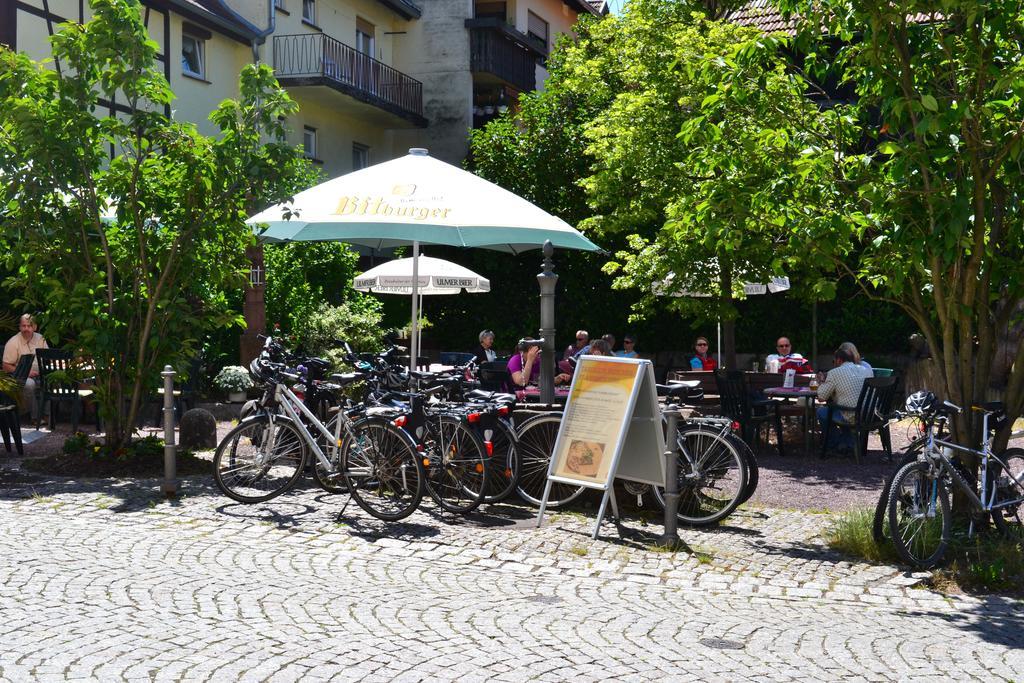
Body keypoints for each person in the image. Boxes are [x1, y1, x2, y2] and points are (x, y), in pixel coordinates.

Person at [815, 343, 873, 454]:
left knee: (822, 412)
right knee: (845, 407)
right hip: (869, 414)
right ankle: (848, 443)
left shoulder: (835, 372)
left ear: (839, 360)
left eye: (834, 361)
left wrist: (822, 382)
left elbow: (821, 397)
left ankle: (834, 444)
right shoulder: (865, 369)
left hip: (853, 415)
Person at [3, 314, 48, 419]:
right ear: (20, 327)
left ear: (35, 327)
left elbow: (47, 358)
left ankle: (46, 415)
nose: (26, 329)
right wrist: (26, 373)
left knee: (52, 380)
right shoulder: (13, 342)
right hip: (20, 376)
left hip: (40, 373)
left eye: (29, 326)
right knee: (30, 384)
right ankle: (34, 417)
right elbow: (6, 366)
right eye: (24, 326)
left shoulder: (41, 338)